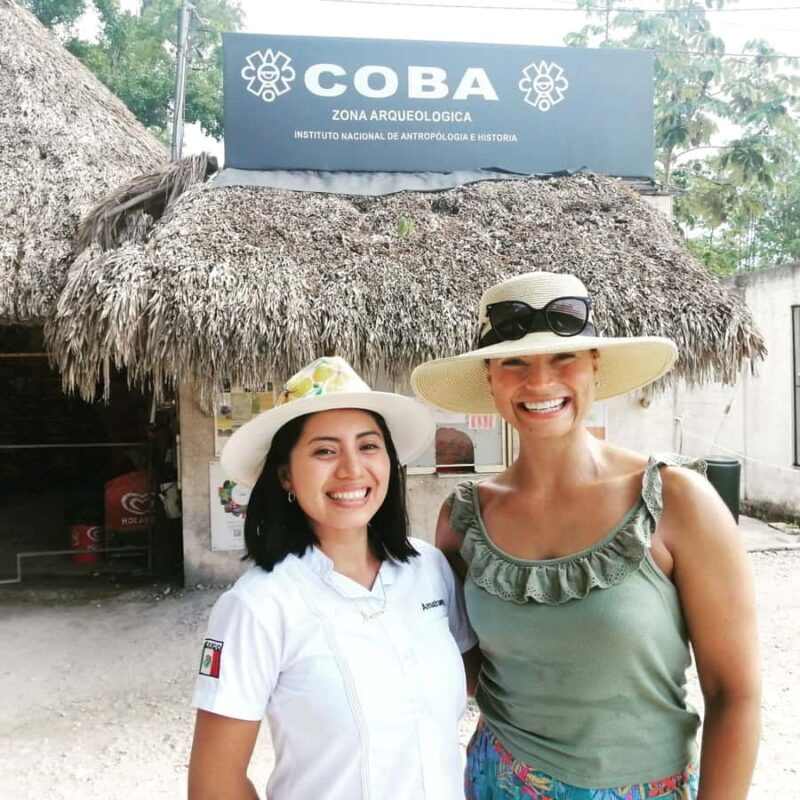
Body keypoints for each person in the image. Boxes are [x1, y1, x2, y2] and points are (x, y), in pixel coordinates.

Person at [411, 272, 761, 800]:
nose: (540, 383)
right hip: (498, 780)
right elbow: (452, 670)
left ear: (595, 365)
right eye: (514, 363)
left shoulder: (676, 501)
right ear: (490, 378)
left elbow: (734, 693)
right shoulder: (462, 518)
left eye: (563, 358)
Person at [188, 357, 478, 800]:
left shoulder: (430, 570)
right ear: (286, 474)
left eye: (368, 446)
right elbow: (214, 784)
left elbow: (488, 689)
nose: (351, 470)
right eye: (324, 450)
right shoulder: (259, 606)